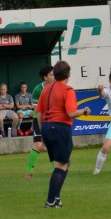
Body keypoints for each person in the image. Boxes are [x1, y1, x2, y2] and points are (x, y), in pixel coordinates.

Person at [36, 60, 90, 208]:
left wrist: (42, 132)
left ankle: (57, 197)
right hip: (60, 128)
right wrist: (85, 111)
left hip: (46, 127)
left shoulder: (45, 89)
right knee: (61, 165)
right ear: (68, 74)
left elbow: (39, 112)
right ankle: (51, 201)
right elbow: (71, 113)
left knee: (64, 163)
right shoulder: (68, 90)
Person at [25, 66, 54, 179]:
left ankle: (55, 171)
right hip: (39, 119)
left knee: (51, 145)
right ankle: (29, 172)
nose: (54, 76)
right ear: (45, 77)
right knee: (38, 145)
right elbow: (37, 110)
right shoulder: (38, 90)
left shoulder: (56, 86)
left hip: (51, 119)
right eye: (51, 74)